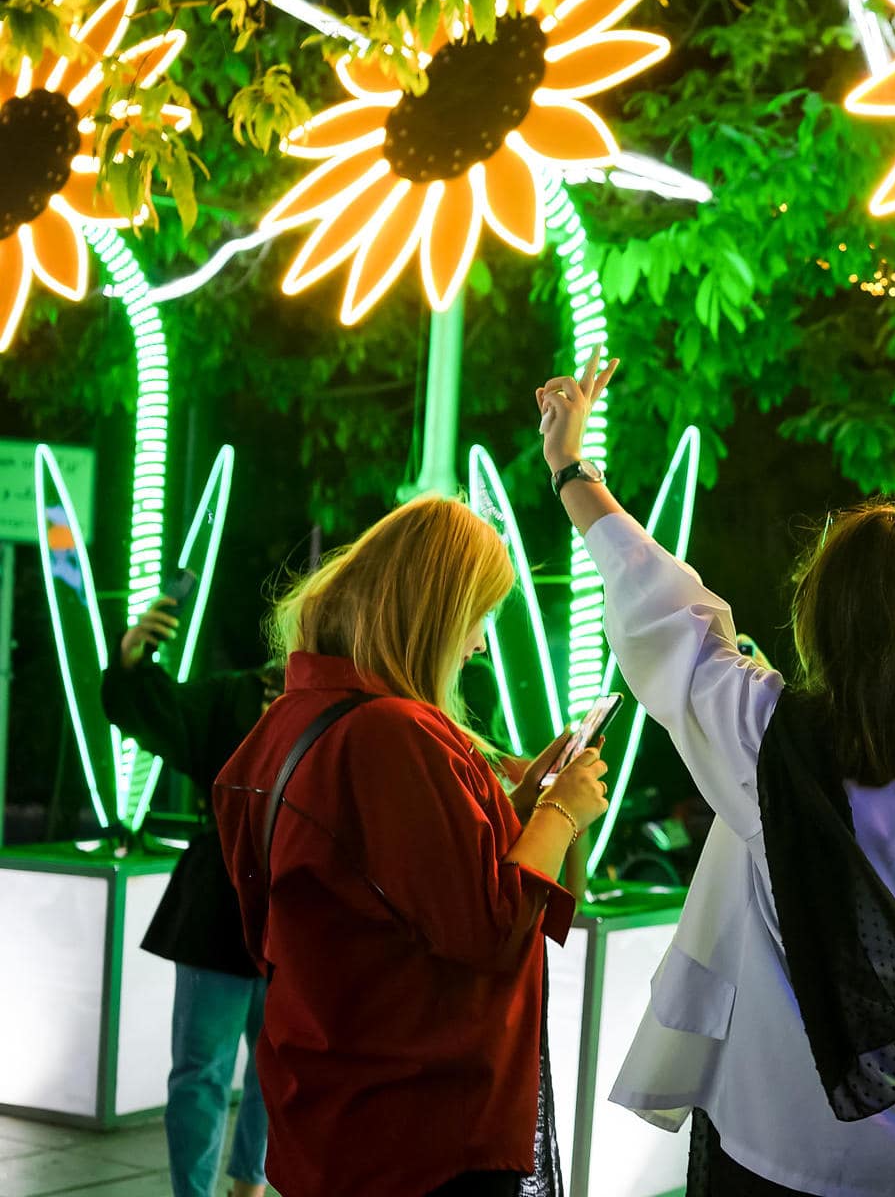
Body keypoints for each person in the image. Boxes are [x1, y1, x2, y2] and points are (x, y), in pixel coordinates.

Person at [536, 348, 895, 1196]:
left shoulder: (770, 747)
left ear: (819, 613)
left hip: (775, 1138)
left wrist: (571, 467)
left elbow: (660, 605)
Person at [212, 496, 610, 1197]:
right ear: (432, 615)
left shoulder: (301, 714)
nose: (481, 643)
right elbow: (484, 926)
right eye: (477, 618)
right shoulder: (393, 734)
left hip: (337, 1090)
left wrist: (513, 807)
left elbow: (395, 878)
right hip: (416, 1116)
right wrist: (560, 812)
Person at [103, 599, 279, 1197]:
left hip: (301, 906)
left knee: (278, 1068)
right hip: (219, 903)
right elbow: (161, 712)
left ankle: (250, 1181)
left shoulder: (352, 708)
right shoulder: (235, 696)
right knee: (199, 1070)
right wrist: (130, 662)